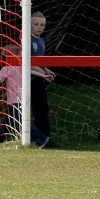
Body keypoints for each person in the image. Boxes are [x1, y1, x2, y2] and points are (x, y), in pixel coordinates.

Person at [0, 44, 51, 148]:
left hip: (13, 100)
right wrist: (44, 75)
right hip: (23, 99)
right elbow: (33, 71)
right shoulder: (22, 67)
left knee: (21, 122)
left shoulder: (6, 68)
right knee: (6, 120)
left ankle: (42, 139)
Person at [30, 12, 56, 143]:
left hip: (40, 79)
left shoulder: (41, 41)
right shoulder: (27, 40)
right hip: (30, 81)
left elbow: (40, 62)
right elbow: (28, 63)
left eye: (42, 25)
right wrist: (43, 72)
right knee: (24, 110)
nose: (39, 27)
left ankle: (45, 138)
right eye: (36, 24)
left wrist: (47, 70)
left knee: (42, 109)